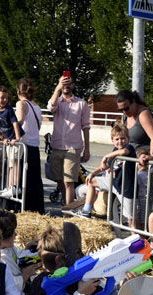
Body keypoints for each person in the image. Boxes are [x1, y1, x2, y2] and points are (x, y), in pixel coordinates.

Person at [76, 122, 136, 227]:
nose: (120, 141)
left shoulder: (129, 148)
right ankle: (87, 210)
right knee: (91, 182)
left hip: (125, 188)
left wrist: (106, 156)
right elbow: (105, 167)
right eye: (117, 139)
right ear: (112, 141)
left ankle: (136, 238)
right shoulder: (114, 150)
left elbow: (123, 152)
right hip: (113, 183)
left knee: (130, 218)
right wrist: (93, 173)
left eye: (123, 138)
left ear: (128, 139)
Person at [47, 73, 91, 207]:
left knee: (69, 181)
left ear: (73, 85)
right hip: (57, 145)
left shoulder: (81, 104)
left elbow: (86, 127)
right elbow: (50, 107)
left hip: (73, 147)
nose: (66, 85)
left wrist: (87, 149)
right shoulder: (57, 101)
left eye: (68, 82)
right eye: (63, 83)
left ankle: (68, 212)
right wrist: (57, 88)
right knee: (59, 179)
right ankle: (67, 204)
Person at [14, 78, 46, 212]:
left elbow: (19, 122)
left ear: (18, 91)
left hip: (24, 144)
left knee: (22, 178)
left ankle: (20, 207)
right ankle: (35, 209)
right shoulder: (37, 106)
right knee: (34, 180)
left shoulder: (21, 103)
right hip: (34, 146)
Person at [0, 85, 23, 198]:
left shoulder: (9, 109)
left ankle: (15, 187)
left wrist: (17, 138)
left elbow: (15, 124)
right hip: (7, 139)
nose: (5, 100)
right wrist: (1, 137)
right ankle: (9, 187)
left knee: (15, 163)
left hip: (14, 139)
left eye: (6, 98)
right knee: (10, 164)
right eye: (2, 97)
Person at [115, 90, 153, 155]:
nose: (124, 112)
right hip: (129, 157)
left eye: (126, 108)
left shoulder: (143, 114)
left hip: (142, 159)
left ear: (133, 102)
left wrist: (151, 159)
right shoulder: (125, 116)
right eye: (121, 110)